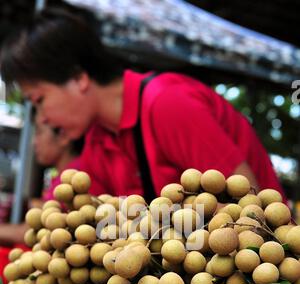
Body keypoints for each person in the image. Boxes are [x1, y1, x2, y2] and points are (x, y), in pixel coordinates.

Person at [0, 7, 285, 202]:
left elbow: (247, 207)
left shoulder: (168, 103)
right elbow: (71, 213)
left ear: (79, 79)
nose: (44, 118)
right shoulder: (100, 137)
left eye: (39, 100)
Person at [0, 113, 82, 246]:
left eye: (39, 132)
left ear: (63, 136)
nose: (33, 142)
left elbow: (29, 232)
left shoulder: (74, 178)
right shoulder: (62, 177)